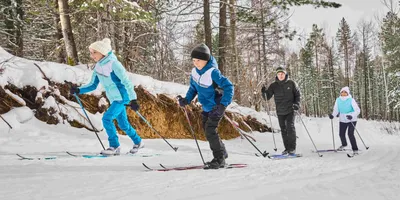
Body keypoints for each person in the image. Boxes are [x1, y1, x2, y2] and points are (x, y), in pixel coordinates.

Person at [69, 38, 143, 155]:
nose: (92, 55)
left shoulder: (114, 64)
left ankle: (114, 146)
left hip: (122, 98)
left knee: (106, 118)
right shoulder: (98, 66)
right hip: (114, 99)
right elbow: (93, 85)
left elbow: (126, 82)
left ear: (102, 52)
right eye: (91, 52)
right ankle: (138, 141)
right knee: (123, 124)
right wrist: (78, 90)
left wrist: (133, 99)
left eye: (94, 52)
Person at [177, 43, 234, 169]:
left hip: (216, 106)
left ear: (206, 59)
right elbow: (193, 88)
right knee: (207, 130)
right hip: (206, 107)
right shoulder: (194, 72)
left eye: (198, 60)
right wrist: (187, 99)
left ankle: (219, 159)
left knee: (210, 130)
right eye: (194, 60)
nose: (196, 63)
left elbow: (229, 86)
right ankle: (222, 153)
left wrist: (223, 105)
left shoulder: (213, 72)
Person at [261, 67, 301, 155]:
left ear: (285, 74)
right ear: (277, 75)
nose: (280, 75)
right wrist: (263, 92)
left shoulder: (292, 83)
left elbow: (298, 95)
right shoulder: (273, 85)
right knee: (283, 130)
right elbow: (267, 97)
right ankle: (286, 148)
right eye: (279, 74)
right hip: (280, 111)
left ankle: (292, 148)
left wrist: (297, 104)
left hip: (291, 109)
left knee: (290, 127)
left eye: (282, 74)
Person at [328, 86, 360, 154]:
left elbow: (357, 110)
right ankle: (344, 144)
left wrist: (352, 115)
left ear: (348, 93)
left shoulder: (351, 100)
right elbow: (336, 109)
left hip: (351, 119)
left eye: (345, 92)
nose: (343, 93)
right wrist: (333, 115)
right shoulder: (338, 100)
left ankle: (355, 149)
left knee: (350, 134)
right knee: (341, 134)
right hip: (342, 119)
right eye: (342, 92)